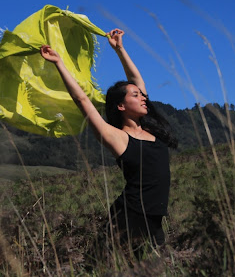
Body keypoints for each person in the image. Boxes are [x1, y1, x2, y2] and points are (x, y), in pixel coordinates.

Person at [40, 28, 178, 253]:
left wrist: (120, 50)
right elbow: (81, 99)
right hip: (129, 218)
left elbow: (136, 80)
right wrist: (58, 63)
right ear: (121, 106)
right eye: (135, 96)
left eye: (142, 95)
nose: (143, 98)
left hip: (154, 219)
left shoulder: (151, 128)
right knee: (110, 273)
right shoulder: (117, 137)